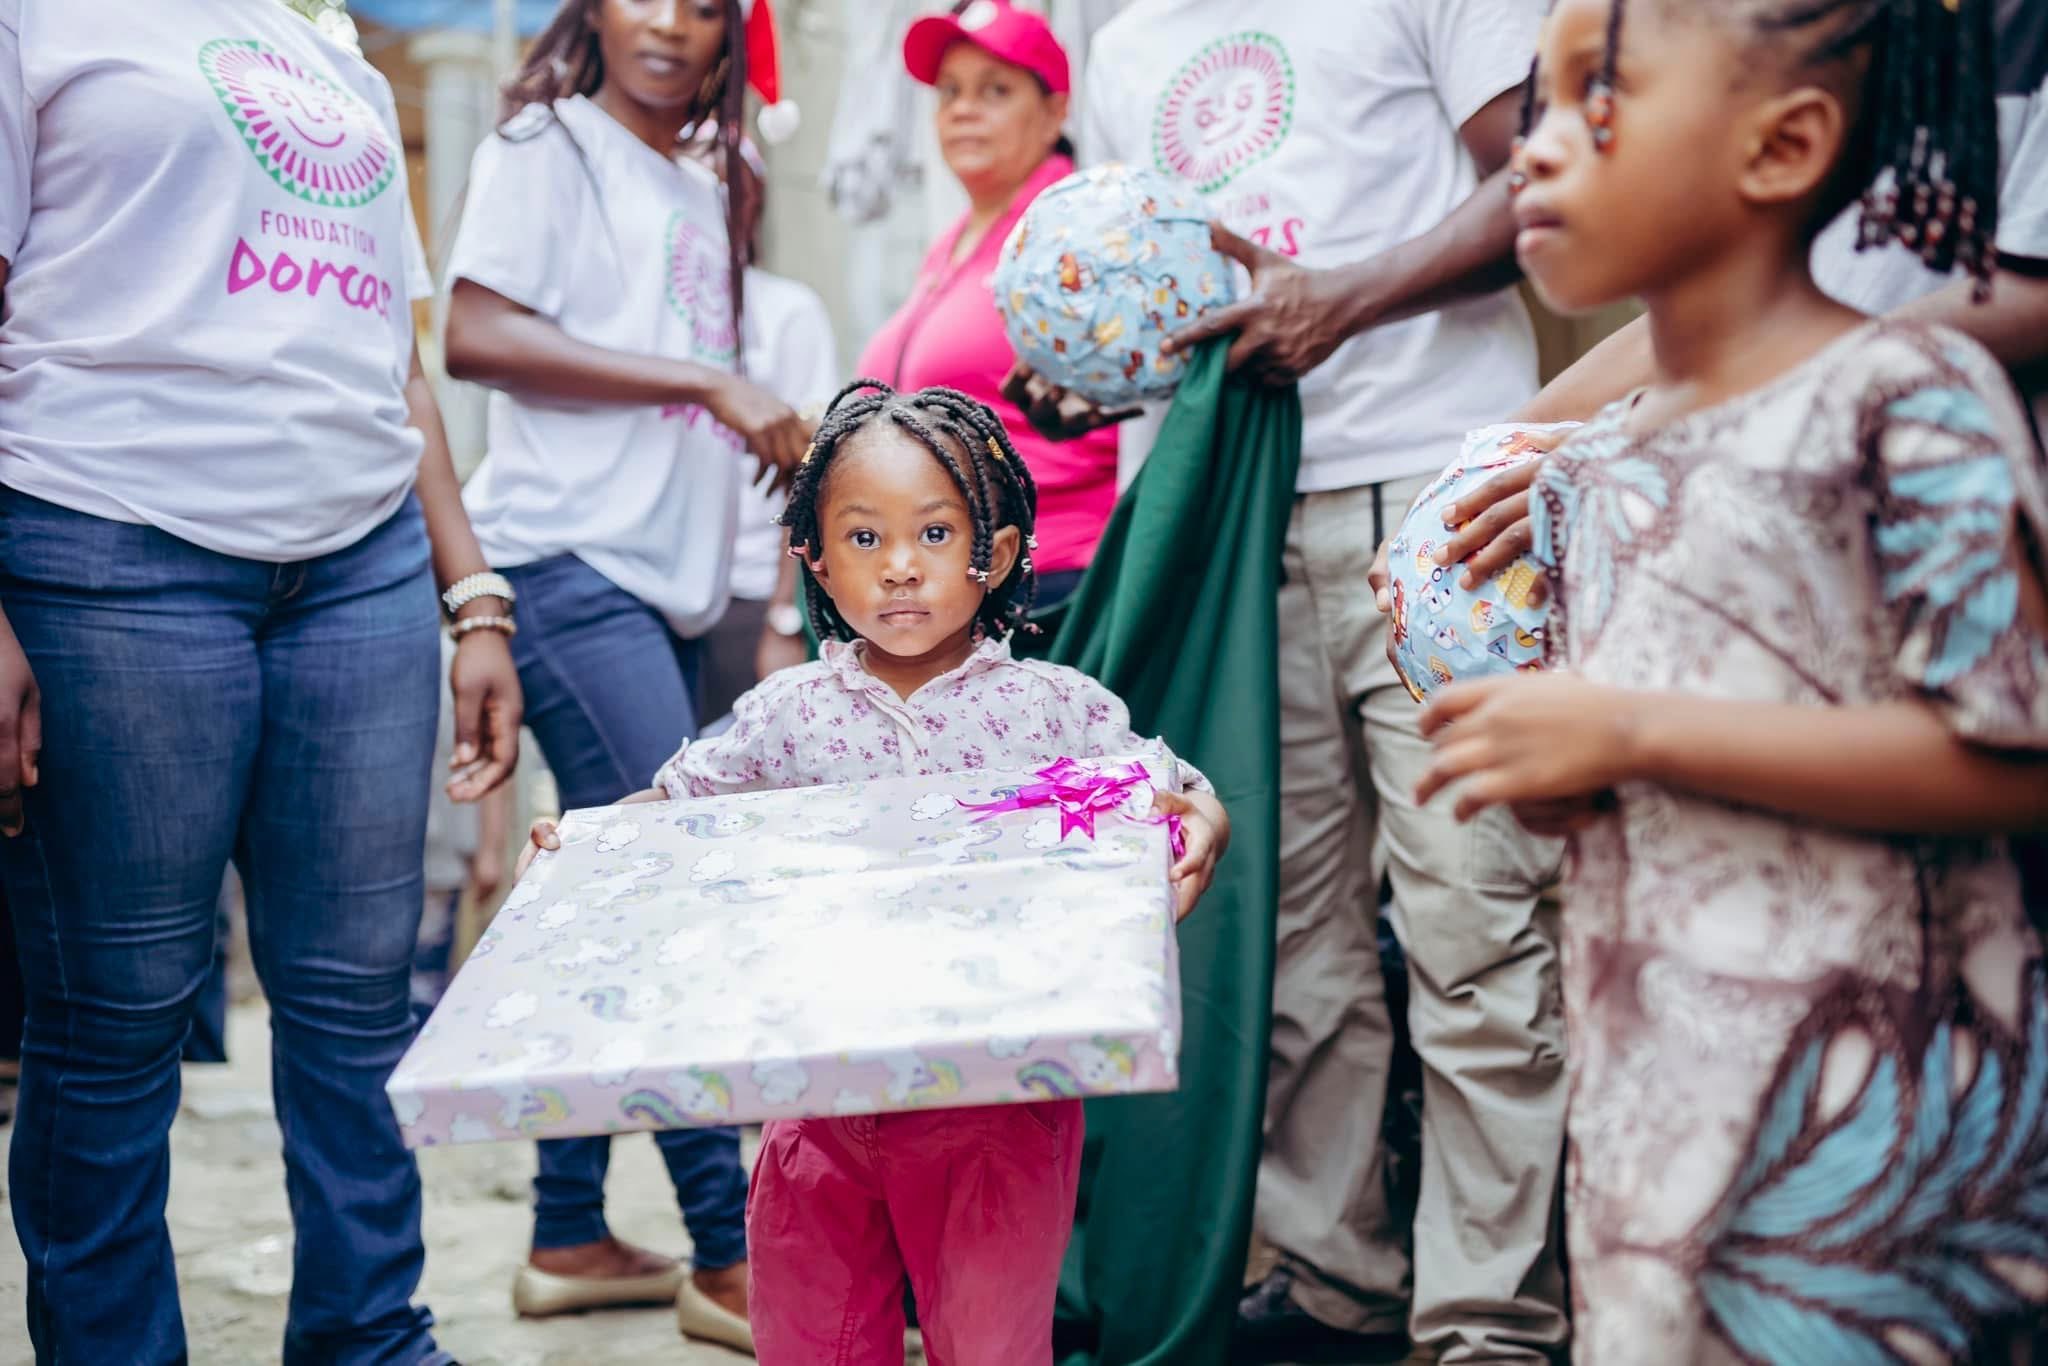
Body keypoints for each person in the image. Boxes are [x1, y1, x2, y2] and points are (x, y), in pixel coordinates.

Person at [1415, 0, 2048, 1358]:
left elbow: (2017, 750)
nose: (1530, 146)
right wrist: (1568, 780)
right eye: (1536, 97)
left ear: (1785, 146)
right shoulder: (1606, 464)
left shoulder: (1907, 397)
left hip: (1873, 1162)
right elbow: (1667, 762)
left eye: (1600, 94)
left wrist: (1629, 725)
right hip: (1662, 1115)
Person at [1020, 3, 1572, 1359]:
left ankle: (1490, 1320)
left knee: (1474, 928)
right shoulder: (1123, 32)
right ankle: (1341, 1281)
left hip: (1442, 496)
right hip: (1224, 513)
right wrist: (1087, 369)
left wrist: (1349, 296)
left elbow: (1551, 184)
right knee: (1286, 941)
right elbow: (1154, 271)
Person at [0, 1, 524, 1360]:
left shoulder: (324, 42)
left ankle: (368, 1334)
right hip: (109, 538)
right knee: (116, 1012)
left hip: (355, 566)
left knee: (360, 1004)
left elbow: (390, 362)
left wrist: (470, 596)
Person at [518, 380, 1230, 1364]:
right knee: (815, 1343)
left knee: (988, 1347)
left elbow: (1169, 788)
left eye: (935, 535)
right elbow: (674, 815)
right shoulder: (787, 712)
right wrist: (583, 845)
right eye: (862, 539)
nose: (899, 568)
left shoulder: (1050, 710)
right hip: (815, 1111)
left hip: (999, 1109)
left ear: (1001, 555)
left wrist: (1201, 813)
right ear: (811, 556)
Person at [441, 0, 811, 1350]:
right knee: (675, 897)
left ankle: (565, 1227)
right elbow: (472, 331)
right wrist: (708, 379)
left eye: (701, 2)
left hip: (655, 587)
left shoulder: (709, 178)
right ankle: (734, 1251)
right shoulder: (549, 142)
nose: (667, 20)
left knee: (596, 912)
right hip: (562, 568)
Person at [854, 1, 1116, 609]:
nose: (965, 109)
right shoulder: (953, 243)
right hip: (957, 581)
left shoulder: (1073, 228)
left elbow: (1126, 405)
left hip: (1052, 583)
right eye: (950, 92)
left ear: (1055, 110)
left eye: (995, 90)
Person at [683, 130, 840, 721]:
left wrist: (783, 614)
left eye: (730, 187)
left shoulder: (787, 312)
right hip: (655, 593)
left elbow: (812, 469)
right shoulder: (642, 320)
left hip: (747, 600)